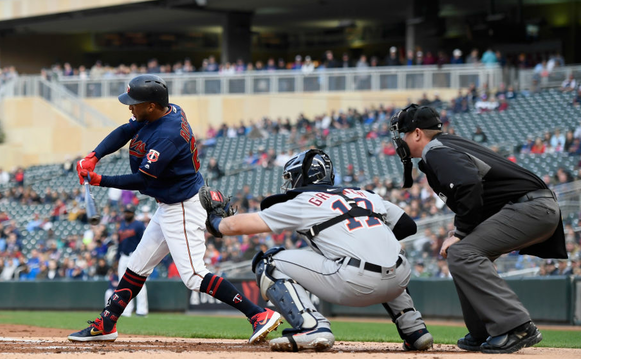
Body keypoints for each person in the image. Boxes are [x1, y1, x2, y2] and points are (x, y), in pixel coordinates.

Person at [68, 74, 282, 343]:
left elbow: (142, 180)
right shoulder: (164, 111)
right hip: (169, 203)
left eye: (135, 103)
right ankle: (107, 323)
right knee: (136, 267)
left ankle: (258, 315)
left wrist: (100, 180)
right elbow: (125, 130)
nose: (130, 107)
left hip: (181, 206)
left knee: (193, 276)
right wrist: (94, 156)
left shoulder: (167, 135)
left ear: (152, 105)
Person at [201, 149, 433, 352]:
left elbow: (238, 226)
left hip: (355, 283)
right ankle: (415, 330)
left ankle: (312, 326)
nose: (289, 184)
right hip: (400, 278)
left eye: (291, 178)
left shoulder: (303, 201)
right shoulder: (366, 194)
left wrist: (215, 221)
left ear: (301, 177)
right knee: (387, 256)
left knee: (269, 262)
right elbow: (407, 226)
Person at [389, 104, 567, 354]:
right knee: (461, 252)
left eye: (404, 135)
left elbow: (468, 184)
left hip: (531, 207)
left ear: (417, 133)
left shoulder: (437, 150)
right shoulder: (446, 145)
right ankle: (484, 330)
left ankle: (516, 326)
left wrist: (461, 232)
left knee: (463, 252)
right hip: (529, 206)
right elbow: (479, 191)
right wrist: (460, 232)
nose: (400, 142)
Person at [114, 204, 148, 317]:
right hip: (123, 256)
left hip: (135, 255)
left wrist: (142, 256)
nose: (127, 214)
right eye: (126, 212)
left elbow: (144, 241)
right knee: (122, 283)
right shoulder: (122, 225)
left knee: (139, 283)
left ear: (133, 213)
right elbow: (119, 243)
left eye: (129, 212)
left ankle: (142, 310)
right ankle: (126, 310)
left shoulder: (139, 225)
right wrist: (117, 258)